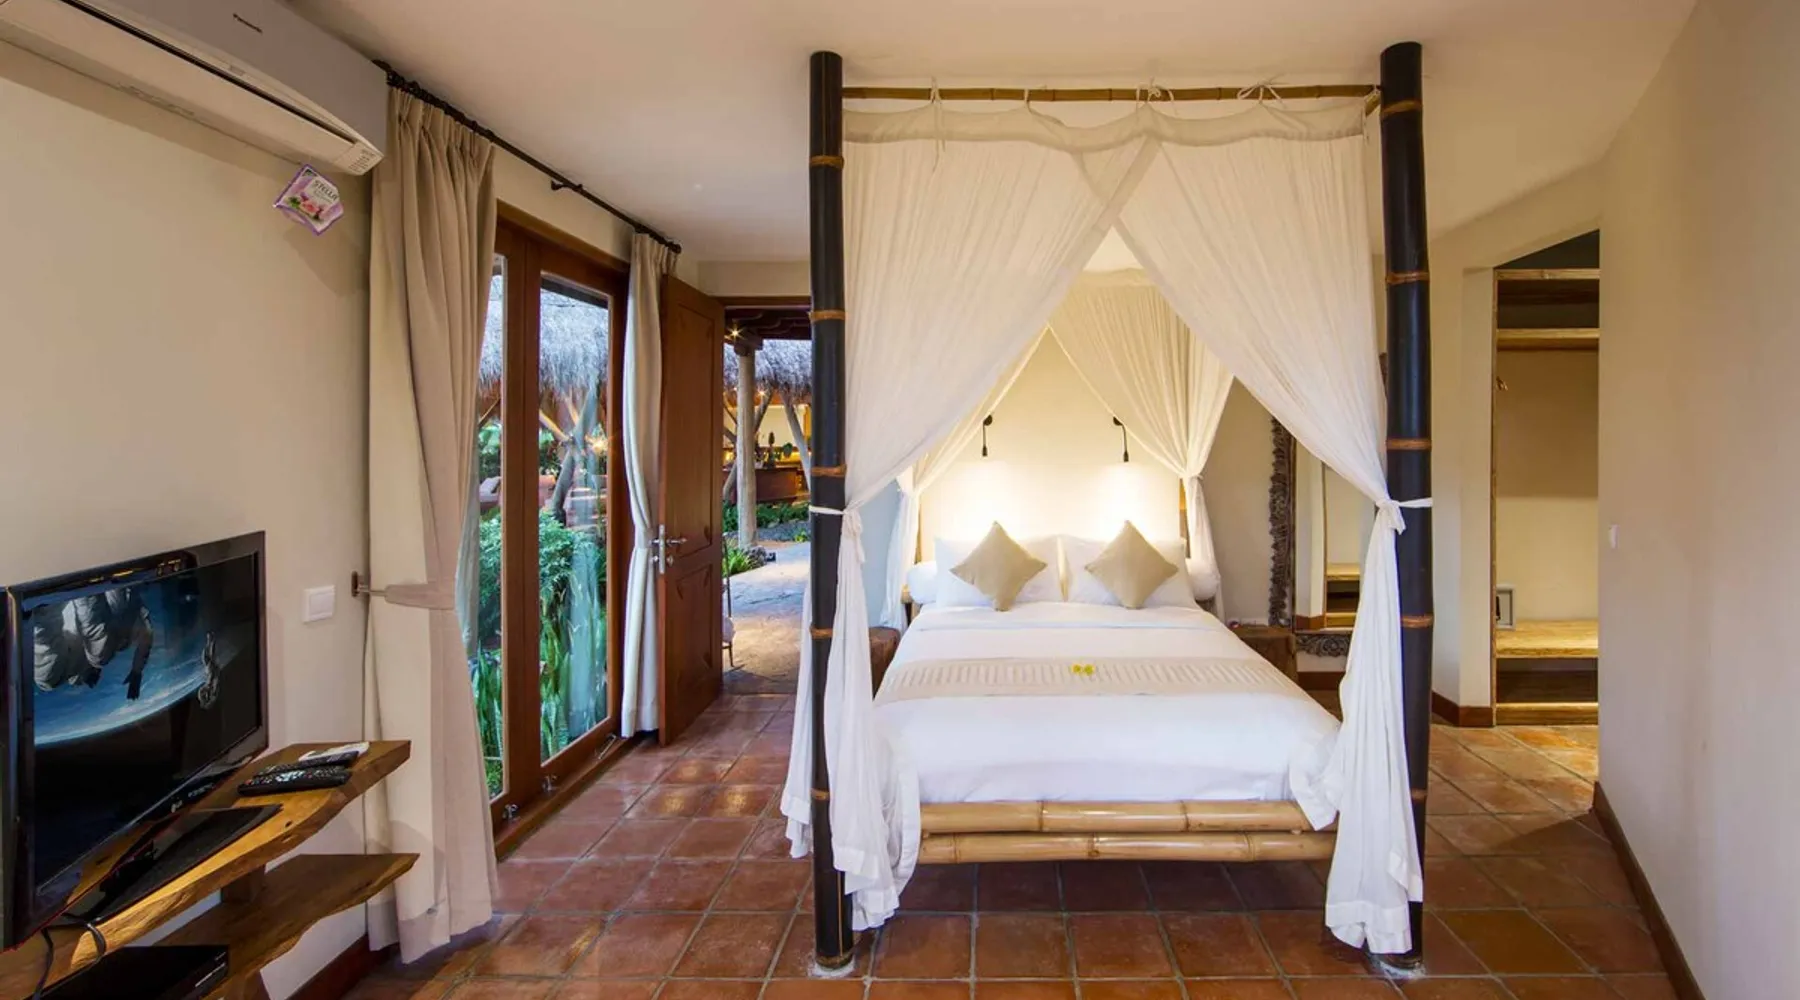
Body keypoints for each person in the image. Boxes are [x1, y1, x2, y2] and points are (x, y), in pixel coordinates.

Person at [32, 589, 156, 699]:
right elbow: (146, 637)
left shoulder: (76, 671)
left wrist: (136, 672)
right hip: (104, 602)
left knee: (47, 682)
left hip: (68, 625)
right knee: (102, 656)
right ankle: (87, 594)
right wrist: (137, 671)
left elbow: (146, 637)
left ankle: (43, 612)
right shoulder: (129, 617)